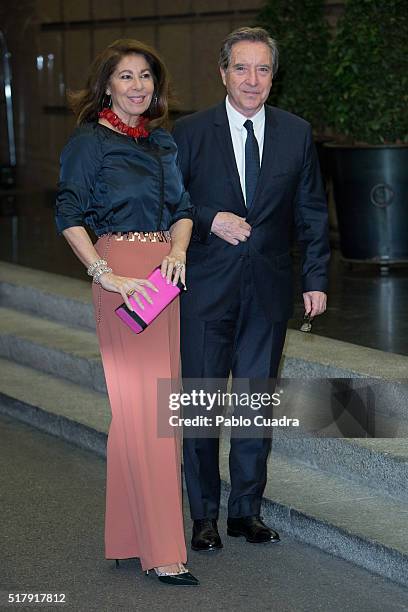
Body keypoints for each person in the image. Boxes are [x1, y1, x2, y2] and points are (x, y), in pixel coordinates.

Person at [173, 27, 330, 552]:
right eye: (241, 68)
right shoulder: (190, 132)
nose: (252, 79)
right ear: (223, 73)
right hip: (203, 291)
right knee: (201, 406)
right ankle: (203, 517)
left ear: (273, 77)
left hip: (267, 291)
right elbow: (166, 201)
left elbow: (310, 209)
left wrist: (315, 278)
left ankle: (246, 513)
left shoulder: (295, 132)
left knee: (254, 406)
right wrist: (209, 216)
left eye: (263, 69)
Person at [55, 39, 199, 586]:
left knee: (143, 415)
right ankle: (163, 549)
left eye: (145, 77)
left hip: (166, 276)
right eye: (126, 77)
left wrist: (179, 251)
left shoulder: (162, 142)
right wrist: (103, 273)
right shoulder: (89, 141)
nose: (138, 86)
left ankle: (126, 534)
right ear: (107, 86)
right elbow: (67, 212)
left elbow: (183, 208)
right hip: (124, 279)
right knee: (151, 416)